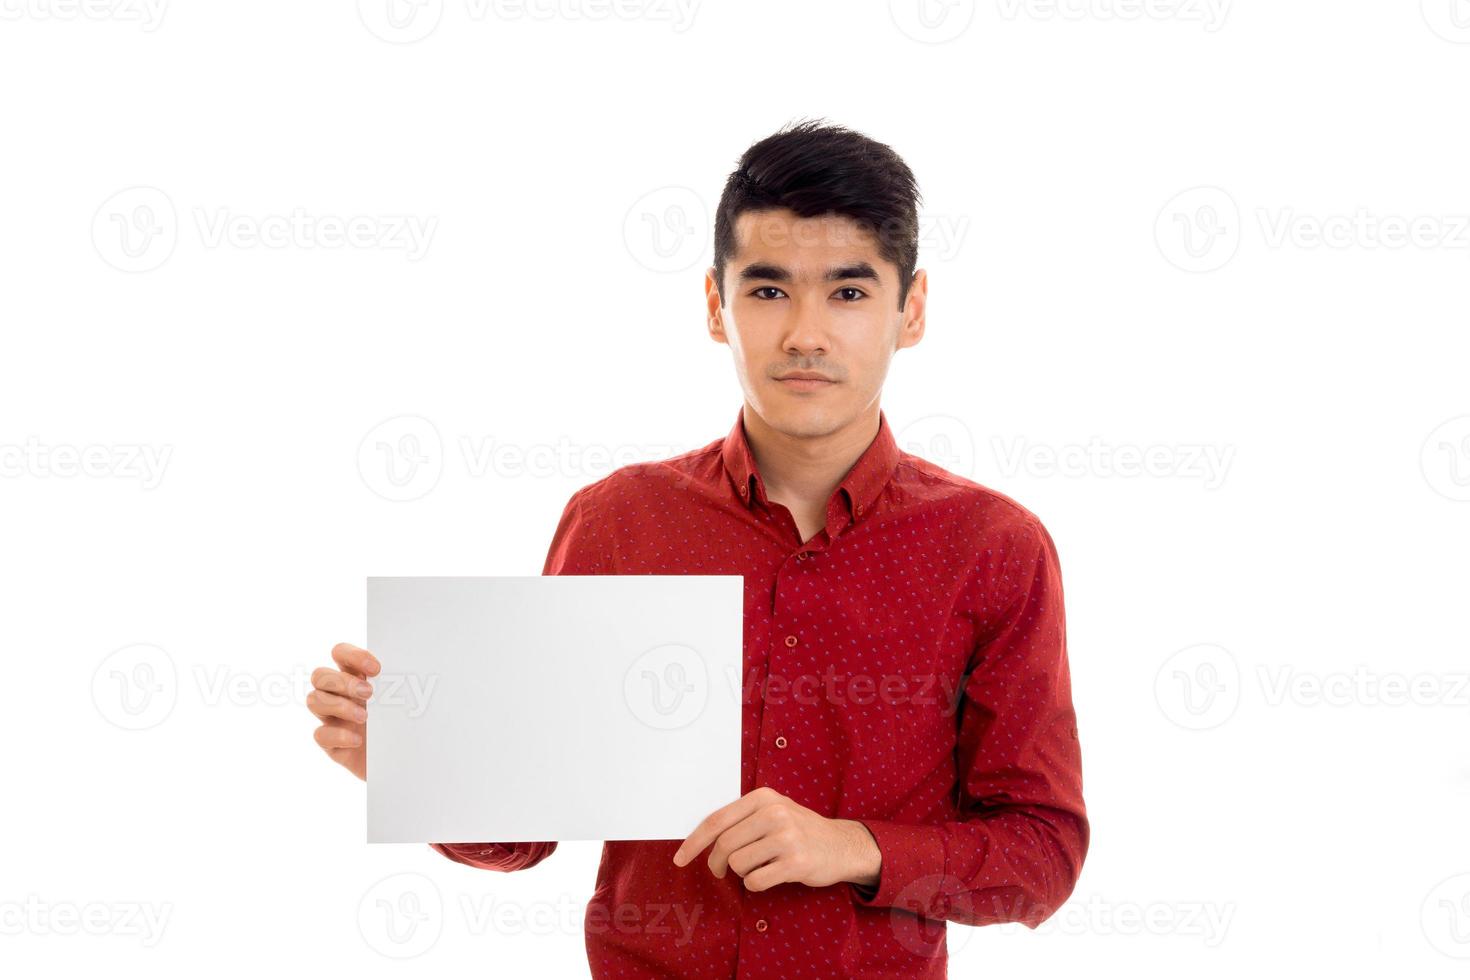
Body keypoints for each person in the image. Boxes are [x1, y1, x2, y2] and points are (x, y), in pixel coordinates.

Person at [306, 118, 1089, 978]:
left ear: (913, 310)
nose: (806, 333)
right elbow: (523, 832)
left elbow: (1041, 854)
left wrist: (853, 848)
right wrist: (421, 768)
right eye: (768, 290)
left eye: (850, 293)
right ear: (717, 307)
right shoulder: (618, 521)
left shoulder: (993, 548)